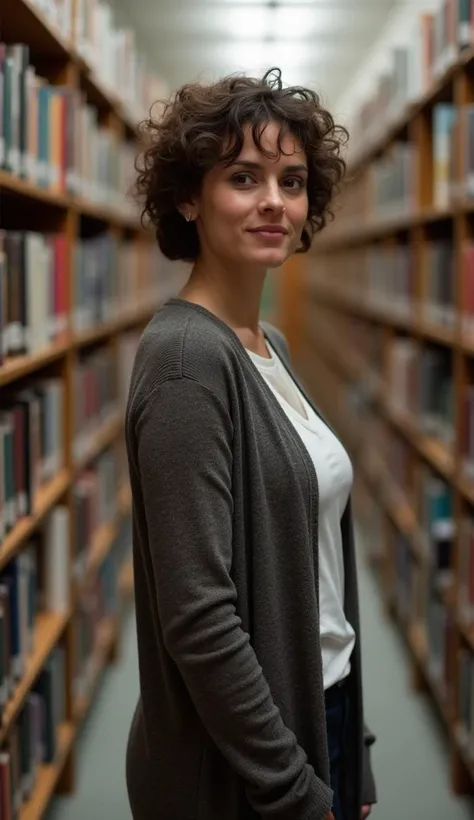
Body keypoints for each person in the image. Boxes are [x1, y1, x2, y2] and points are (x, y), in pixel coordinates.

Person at [124, 67, 377, 820]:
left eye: (292, 181)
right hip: (241, 766)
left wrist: (350, 747)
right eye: (243, 176)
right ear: (187, 197)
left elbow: (316, 573)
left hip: (319, 710)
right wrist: (296, 790)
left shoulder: (268, 344)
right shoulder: (185, 364)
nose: (275, 201)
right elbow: (201, 620)